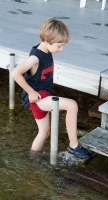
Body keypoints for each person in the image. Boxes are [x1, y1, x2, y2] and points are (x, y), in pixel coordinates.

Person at [12, 18, 91, 159]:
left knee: (44, 132)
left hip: (44, 94)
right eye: (59, 46)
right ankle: (73, 145)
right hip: (37, 98)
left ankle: (32, 159)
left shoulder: (47, 51)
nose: (61, 49)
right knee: (72, 105)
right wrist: (31, 92)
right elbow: (15, 73)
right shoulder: (35, 58)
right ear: (47, 41)